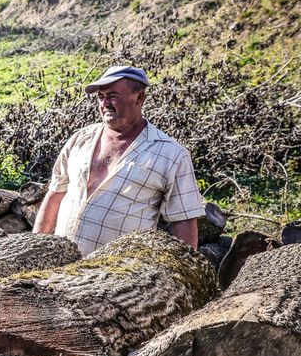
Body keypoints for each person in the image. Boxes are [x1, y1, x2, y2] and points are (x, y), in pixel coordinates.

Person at [33, 65, 205, 254]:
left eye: (113, 95)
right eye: (101, 97)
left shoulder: (171, 154)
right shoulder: (80, 139)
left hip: (120, 270)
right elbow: (56, 194)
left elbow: (184, 220)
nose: (105, 103)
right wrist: (34, 250)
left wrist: (184, 268)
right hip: (61, 265)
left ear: (139, 97)